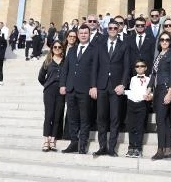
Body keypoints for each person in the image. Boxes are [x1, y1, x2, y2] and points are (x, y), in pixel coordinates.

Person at [93, 20, 130, 157]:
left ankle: (111, 148)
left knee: (115, 118)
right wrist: (93, 85)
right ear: (107, 29)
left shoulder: (124, 45)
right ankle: (102, 146)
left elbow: (127, 67)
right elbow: (95, 66)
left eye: (115, 27)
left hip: (116, 87)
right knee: (101, 117)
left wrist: (123, 84)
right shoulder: (100, 45)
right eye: (110, 28)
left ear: (119, 29)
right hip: (102, 86)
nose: (113, 29)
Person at [59, 24, 97, 154]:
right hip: (71, 89)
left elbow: (94, 71)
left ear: (89, 34)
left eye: (86, 33)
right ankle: (74, 142)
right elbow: (66, 69)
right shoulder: (72, 50)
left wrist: (93, 86)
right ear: (78, 34)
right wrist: (63, 85)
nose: (83, 35)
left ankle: (83, 144)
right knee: (72, 118)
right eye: (81, 33)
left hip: (85, 90)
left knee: (85, 118)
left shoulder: (94, 50)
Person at [146, 31, 171, 160]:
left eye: (167, 40)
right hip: (157, 90)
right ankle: (168, 150)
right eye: (162, 39)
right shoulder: (158, 56)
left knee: (160, 120)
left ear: (170, 42)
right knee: (165, 120)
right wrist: (148, 88)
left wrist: (169, 93)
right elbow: (153, 74)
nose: (164, 41)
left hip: (165, 89)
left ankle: (160, 150)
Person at [38, 40, 66, 152]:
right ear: (52, 48)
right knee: (49, 116)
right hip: (49, 91)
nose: (57, 49)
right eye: (55, 47)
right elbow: (40, 77)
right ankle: (46, 140)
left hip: (61, 91)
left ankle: (53, 140)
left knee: (57, 116)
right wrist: (47, 84)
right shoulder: (47, 61)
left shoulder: (65, 61)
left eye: (60, 47)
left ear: (62, 49)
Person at [124, 59, 151, 158]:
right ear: (135, 69)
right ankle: (131, 147)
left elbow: (151, 92)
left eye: (142, 66)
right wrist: (124, 92)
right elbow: (132, 91)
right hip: (131, 103)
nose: (140, 68)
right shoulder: (132, 79)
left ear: (146, 68)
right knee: (131, 127)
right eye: (137, 66)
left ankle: (138, 148)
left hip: (142, 104)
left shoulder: (149, 79)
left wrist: (150, 96)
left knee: (139, 127)